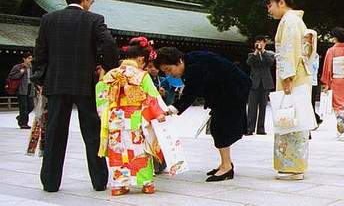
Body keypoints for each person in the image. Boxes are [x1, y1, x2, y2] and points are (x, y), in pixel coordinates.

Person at [31, 0, 119, 193]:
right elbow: (108, 44)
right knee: (92, 134)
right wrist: (106, 67)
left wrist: (40, 79)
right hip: (85, 83)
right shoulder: (94, 20)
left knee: (54, 133)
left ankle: (50, 183)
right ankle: (99, 182)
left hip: (57, 83)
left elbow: (40, 51)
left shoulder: (48, 19)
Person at [155, 47, 250, 182]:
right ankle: (225, 163)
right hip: (227, 90)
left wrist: (172, 109)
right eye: (165, 72)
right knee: (219, 127)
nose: (170, 75)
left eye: (169, 70)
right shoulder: (192, 60)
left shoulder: (195, 66)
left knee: (220, 127)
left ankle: (227, 167)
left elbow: (191, 93)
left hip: (234, 90)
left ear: (179, 61)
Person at [96, 37, 167, 196]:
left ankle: (119, 185)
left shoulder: (111, 74)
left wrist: (104, 113)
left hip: (115, 120)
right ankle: (146, 183)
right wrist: (159, 113)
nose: (145, 66)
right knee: (139, 150)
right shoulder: (142, 75)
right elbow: (151, 96)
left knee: (118, 151)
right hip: (135, 119)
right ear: (140, 59)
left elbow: (100, 92)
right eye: (145, 63)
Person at [264, 0, 316, 180]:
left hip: (293, 77)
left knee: (292, 119)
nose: (269, 10)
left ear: (281, 2)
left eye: (270, 5)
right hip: (297, 74)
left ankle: (294, 167)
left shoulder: (290, 21)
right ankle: (292, 165)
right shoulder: (292, 20)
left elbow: (289, 50)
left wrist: (287, 77)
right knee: (292, 118)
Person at [246, 35, 275, 135]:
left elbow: (271, 63)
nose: (259, 44)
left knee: (263, 107)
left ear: (264, 43)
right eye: (257, 42)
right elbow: (249, 63)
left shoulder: (269, 54)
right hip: (254, 84)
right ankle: (250, 128)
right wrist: (256, 52)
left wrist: (262, 51)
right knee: (252, 107)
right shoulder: (251, 55)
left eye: (261, 42)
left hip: (265, 84)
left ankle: (261, 128)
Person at [8, 52, 34, 129]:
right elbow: (11, 76)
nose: (30, 60)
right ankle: (23, 123)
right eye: (29, 58)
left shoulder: (32, 67)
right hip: (21, 89)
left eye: (31, 58)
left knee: (31, 106)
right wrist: (20, 72)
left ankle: (20, 117)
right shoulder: (18, 67)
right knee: (24, 108)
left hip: (30, 89)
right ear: (24, 59)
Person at [304, 29, 323, 128]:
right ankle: (315, 119)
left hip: (312, 81)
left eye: (308, 38)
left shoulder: (314, 55)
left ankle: (314, 120)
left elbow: (312, 67)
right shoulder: (302, 50)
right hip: (304, 81)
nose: (306, 40)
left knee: (310, 103)